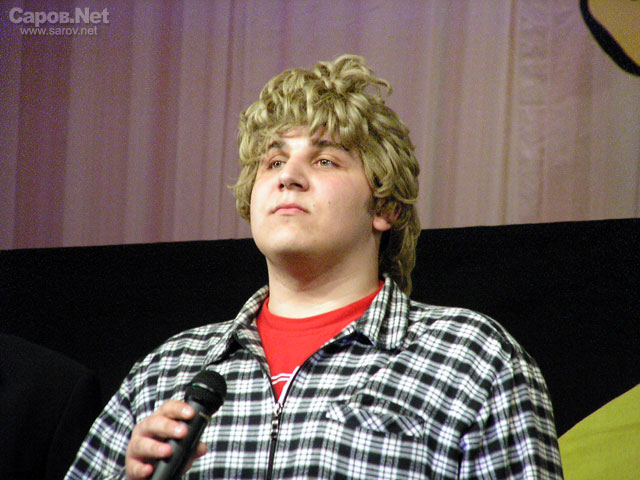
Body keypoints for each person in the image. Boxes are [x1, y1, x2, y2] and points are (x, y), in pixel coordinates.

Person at [65, 55, 563, 479]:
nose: (289, 177)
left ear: (385, 206)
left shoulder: (471, 358)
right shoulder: (167, 371)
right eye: (273, 162)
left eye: (325, 161)